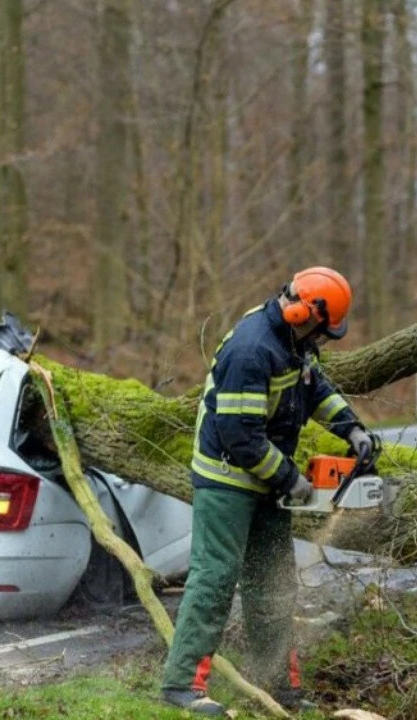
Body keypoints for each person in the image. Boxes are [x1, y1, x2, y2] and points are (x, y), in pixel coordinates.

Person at [160, 266, 380, 715]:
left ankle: (274, 683)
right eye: (323, 330)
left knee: (273, 583)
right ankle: (181, 685)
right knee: (215, 578)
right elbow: (240, 435)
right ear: (305, 314)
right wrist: (291, 480)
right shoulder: (252, 350)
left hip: (267, 478)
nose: (323, 339)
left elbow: (313, 386)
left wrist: (351, 429)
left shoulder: (293, 343)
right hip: (227, 480)